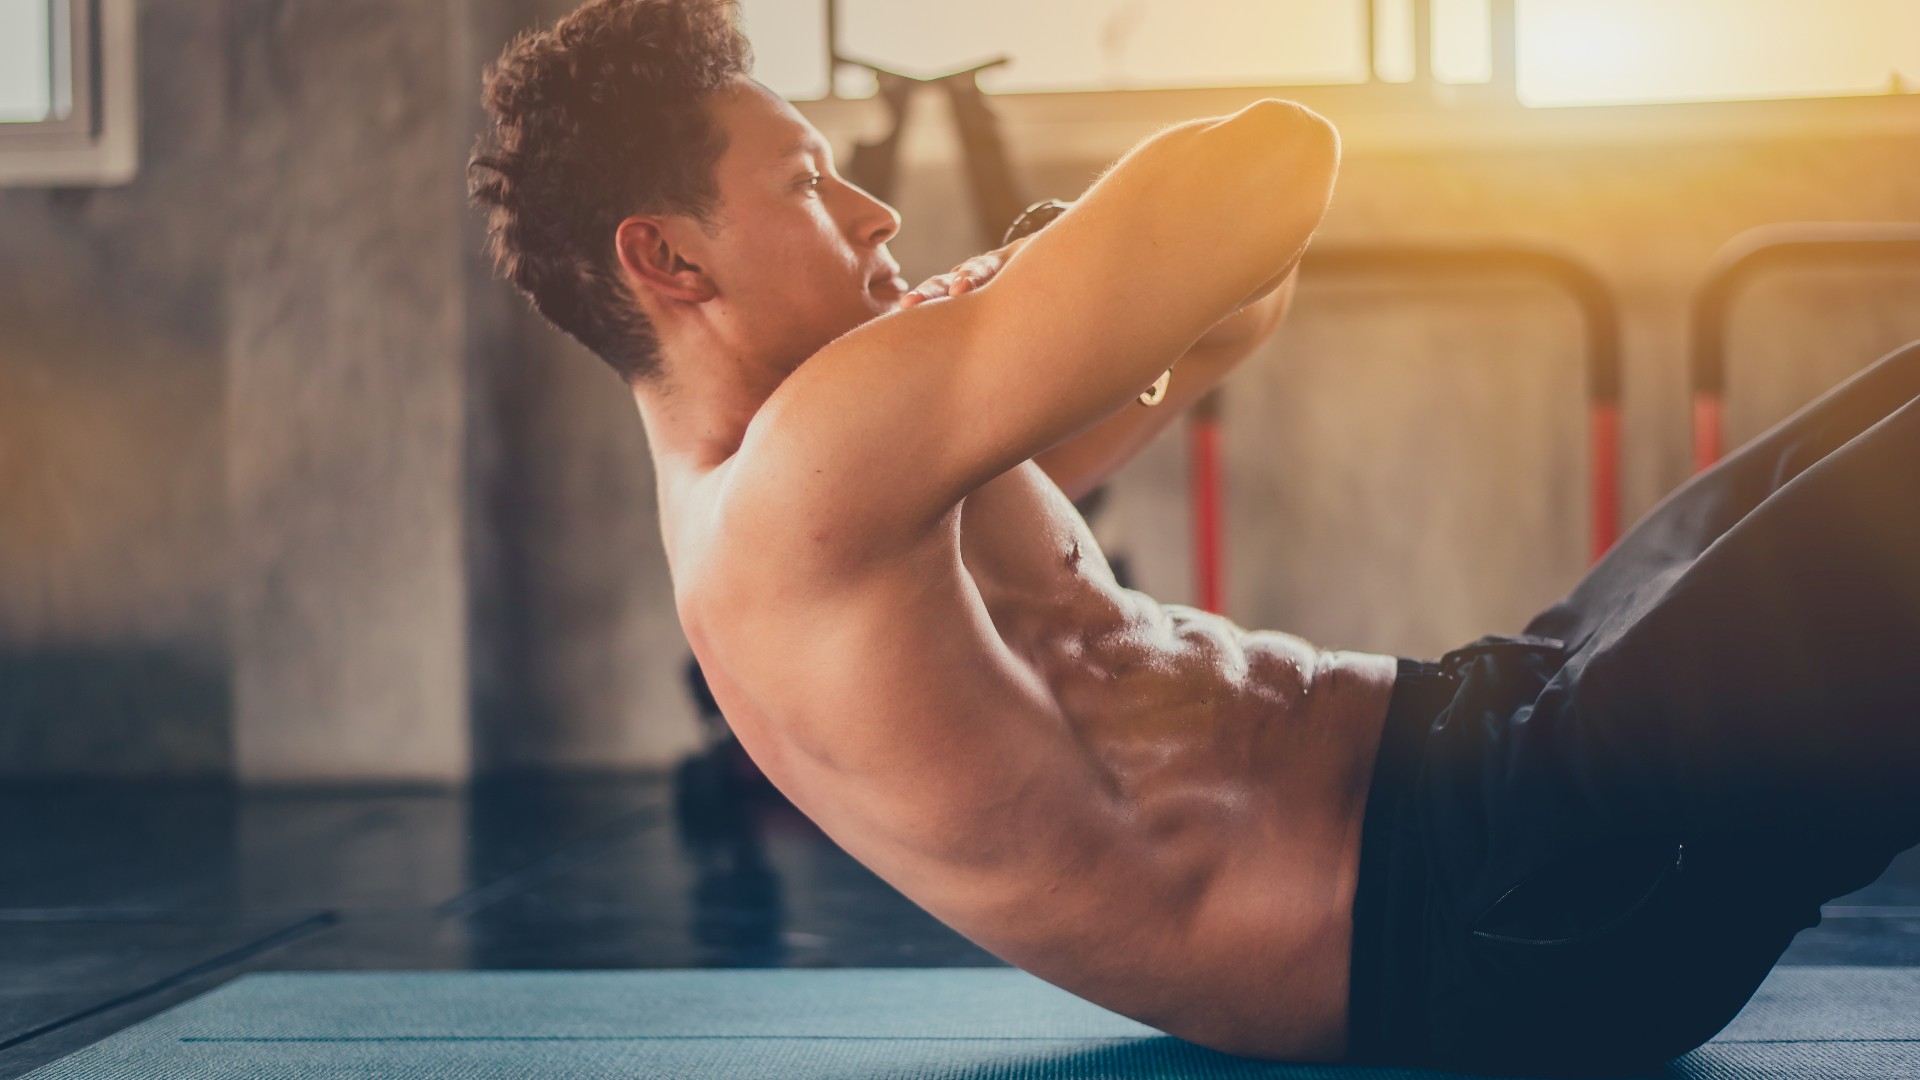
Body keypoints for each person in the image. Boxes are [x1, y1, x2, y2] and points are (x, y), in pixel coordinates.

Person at [468, 1, 1920, 1073]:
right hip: (1495, 894)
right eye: (802, 183)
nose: (871, 207)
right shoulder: (804, 474)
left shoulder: (832, 485)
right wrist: (1009, 276)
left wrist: (1025, 289)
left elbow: (1230, 311)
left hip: (1493, 738)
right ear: (667, 260)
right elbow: (1275, 164)